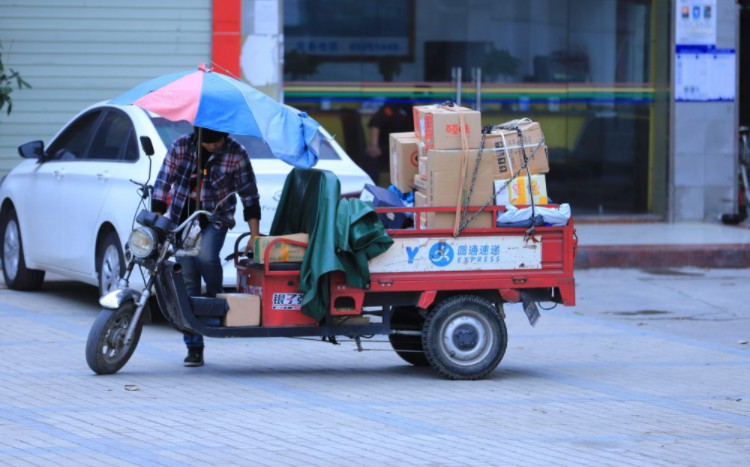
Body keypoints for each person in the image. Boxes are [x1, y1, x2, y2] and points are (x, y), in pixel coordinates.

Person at [151, 127, 261, 367]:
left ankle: (215, 296)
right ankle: (194, 347)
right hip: (183, 219)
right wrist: (157, 225)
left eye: (217, 142)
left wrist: (254, 234)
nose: (213, 146)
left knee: (207, 256)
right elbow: (162, 185)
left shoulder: (236, 153)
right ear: (198, 135)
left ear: (225, 137)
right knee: (188, 282)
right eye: (208, 143)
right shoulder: (181, 147)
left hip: (215, 218)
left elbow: (250, 196)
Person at [364, 101, 414, 185]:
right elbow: (376, 124)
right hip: (385, 149)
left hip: (407, 150)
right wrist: (374, 146)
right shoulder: (393, 106)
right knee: (370, 159)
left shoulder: (419, 111)